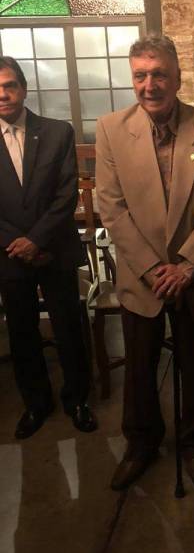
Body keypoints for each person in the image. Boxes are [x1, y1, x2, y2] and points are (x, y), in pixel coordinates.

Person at [96, 34, 194, 491]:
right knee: (139, 367)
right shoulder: (111, 129)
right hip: (142, 278)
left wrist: (187, 265)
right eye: (140, 75)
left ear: (177, 77)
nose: (149, 85)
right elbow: (111, 208)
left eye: (159, 74)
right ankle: (141, 443)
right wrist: (155, 269)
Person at [0, 56, 97, 439]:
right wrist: (18, 244)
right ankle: (36, 404)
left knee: (69, 327)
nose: (2, 94)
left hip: (54, 248)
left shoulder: (57, 132)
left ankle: (78, 399)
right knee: (22, 331)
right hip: (8, 254)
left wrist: (36, 240)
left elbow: (66, 193)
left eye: (9, 85)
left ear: (23, 89)